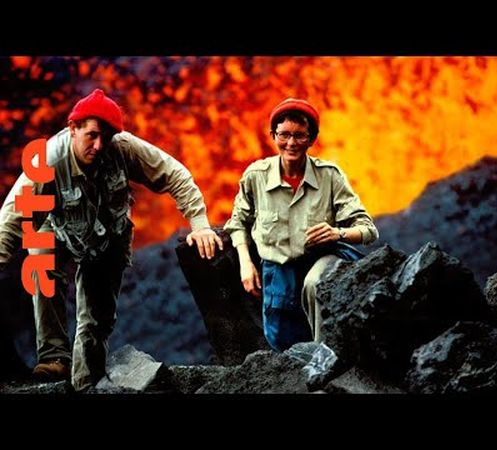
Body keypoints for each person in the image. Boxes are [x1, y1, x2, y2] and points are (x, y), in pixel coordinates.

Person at [0, 89, 223, 391]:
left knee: (96, 319)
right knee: (40, 266)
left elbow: (174, 175)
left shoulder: (123, 148)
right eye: (91, 135)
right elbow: (12, 218)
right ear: (72, 128)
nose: (99, 144)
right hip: (58, 230)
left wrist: (199, 224)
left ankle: (83, 381)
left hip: (108, 238)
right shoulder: (47, 160)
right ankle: (54, 358)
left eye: (106, 136)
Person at [224, 98, 378, 352]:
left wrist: (336, 232)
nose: (291, 143)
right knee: (282, 341)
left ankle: (326, 359)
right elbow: (238, 221)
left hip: (321, 258)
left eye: (299, 135)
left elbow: (367, 229)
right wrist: (245, 263)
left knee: (316, 283)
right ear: (273, 136)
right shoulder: (256, 176)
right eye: (284, 135)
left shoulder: (329, 175)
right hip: (279, 268)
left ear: (311, 139)